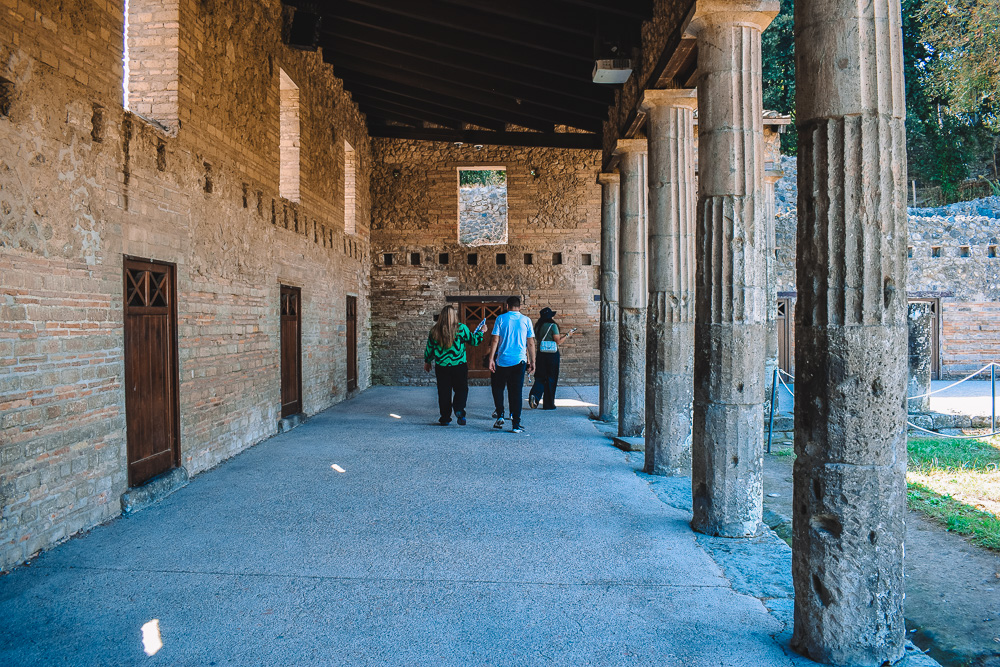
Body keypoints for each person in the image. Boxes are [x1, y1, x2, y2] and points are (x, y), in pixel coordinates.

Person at [424, 304, 485, 425]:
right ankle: (459, 410)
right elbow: (474, 341)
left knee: (444, 392)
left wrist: (427, 361)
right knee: (461, 389)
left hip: (442, 366)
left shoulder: (434, 330)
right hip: (459, 365)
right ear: (454, 316)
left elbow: (429, 348)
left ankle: (445, 418)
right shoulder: (461, 328)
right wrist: (482, 332)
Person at [488, 296, 535, 433]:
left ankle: (501, 414)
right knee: (516, 392)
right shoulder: (526, 320)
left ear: (507, 305)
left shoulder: (501, 319)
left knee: (498, 388)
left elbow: (495, 340)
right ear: (519, 306)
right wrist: (533, 361)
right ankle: (516, 424)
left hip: (502, 361)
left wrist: (491, 359)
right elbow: (530, 343)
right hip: (519, 361)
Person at [528, 307, 576, 410]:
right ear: (550, 317)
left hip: (541, 354)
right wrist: (568, 335)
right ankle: (548, 404)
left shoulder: (538, 326)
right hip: (552, 355)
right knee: (551, 378)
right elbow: (558, 341)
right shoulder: (553, 326)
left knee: (540, 377)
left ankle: (535, 396)